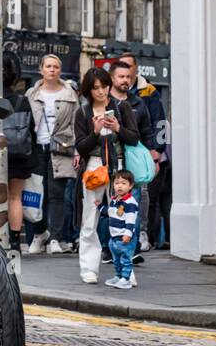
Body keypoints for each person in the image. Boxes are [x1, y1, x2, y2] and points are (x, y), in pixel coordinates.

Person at [72, 67, 138, 284]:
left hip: (118, 168)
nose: (101, 92)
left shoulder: (122, 107)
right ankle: (89, 268)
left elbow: (134, 138)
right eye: (95, 88)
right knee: (90, 219)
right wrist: (95, 132)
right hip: (93, 168)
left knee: (123, 217)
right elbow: (81, 147)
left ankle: (126, 270)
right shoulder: (82, 112)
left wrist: (118, 128)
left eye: (104, 86)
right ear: (88, 91)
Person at [25, 54, 78, 255]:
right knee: (34, 195)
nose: (52, 70)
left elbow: (76, 123)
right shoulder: (32, 93)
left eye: (56, 67)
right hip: (37, 149)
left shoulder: (69, 94)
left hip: (61, 149)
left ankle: (56, 238)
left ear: (60, 70)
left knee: (57, 196)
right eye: (48, 66)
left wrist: (76, 149)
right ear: (41, 70)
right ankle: (39, 234)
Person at [117, 52, 169, 250]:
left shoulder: (148, 91)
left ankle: (143, 233)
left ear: (136, 69)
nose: (126, 71)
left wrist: (158, 150)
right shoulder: (112, 92)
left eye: (129, 66)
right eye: (122, 67)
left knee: (143, 194)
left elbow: (159, 121)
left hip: (141, 152)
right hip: (121, 151)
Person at [107, 58, 157, 264]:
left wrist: (153, 155)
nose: (125, 80)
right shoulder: (104, 102)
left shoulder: (138, 103)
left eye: (128, 77)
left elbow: (146, 133)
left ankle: (132, 249)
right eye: (121, 76)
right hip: (110, 161)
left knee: (133, 207)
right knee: (110, 208)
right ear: (112, 78)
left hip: (133, 164)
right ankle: (109, 249)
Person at [1, 56, 35, 252]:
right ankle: (15, 241)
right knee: (15, 197)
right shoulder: (22, 100)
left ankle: (0, 235)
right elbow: (32, 130)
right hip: (20, 155)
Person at [105, 169, 139, 289]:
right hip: (114, 237)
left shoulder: (130, 203)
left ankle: (126, 278)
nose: (119, 186)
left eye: (123, 183)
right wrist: (99, 206)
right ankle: (118, 276)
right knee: (116, 260)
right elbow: (109, 213)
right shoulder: (115, 200)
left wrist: (128, 234)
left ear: (131, 186)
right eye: (117, 183)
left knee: (126, 259)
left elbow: (131, 220)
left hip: (125, 237)